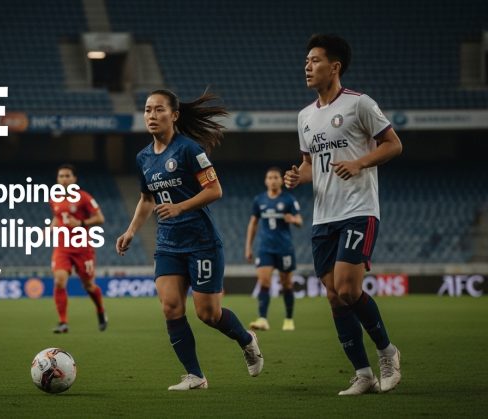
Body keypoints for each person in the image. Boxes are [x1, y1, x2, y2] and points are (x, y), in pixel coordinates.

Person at [116, 89, 263, 391]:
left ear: (174, 115)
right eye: (147, 110)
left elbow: (215, 190)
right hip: (168, 243)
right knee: (170, 307)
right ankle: (195, 375)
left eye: (159, 110)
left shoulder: (189, 149)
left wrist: (180, 207)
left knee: (208, 314)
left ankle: (247, 340)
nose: (152, 116)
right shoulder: (143, 157)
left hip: (201, 242)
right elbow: (147, 199)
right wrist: (131, 231)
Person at [285, 34, 403, 396]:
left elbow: (393, 144)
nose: (307, 66)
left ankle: (388, 354)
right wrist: (296, 176)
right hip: (323, 217)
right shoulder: (305, 116)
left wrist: (359, 162)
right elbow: (310, 167)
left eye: (315, 60)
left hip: (358, 210)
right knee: (335, 296)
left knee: (349, 289)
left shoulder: (359, 104)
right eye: (306, 60)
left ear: (334, 67)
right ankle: (363, 374)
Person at [50, 164, 107, 333]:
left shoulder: (84, 197)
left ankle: (100, 311)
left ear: (74, 179)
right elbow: (57, 217)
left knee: (89, 286)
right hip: (62, 247)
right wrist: (50, 228)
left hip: (82, 248)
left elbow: (100, 218)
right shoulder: (54, 198)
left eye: (67, 176)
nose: (64, 179)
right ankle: (63, 322)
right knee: (59, 281)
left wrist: (81, 223)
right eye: (61, 176)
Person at [245, 167, 302, 331]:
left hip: (284, 248)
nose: (273, 180)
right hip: (265, 248)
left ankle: (289, 319)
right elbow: (253, 223)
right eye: (269, 177)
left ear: (281, 180)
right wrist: (248, 247)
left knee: (287, 284)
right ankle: (263, 319)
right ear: (266, 181)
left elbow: (300, 221)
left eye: (276, 177)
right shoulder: (259, 200)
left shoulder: (289, 199)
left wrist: (293, 220)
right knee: (264, 281)